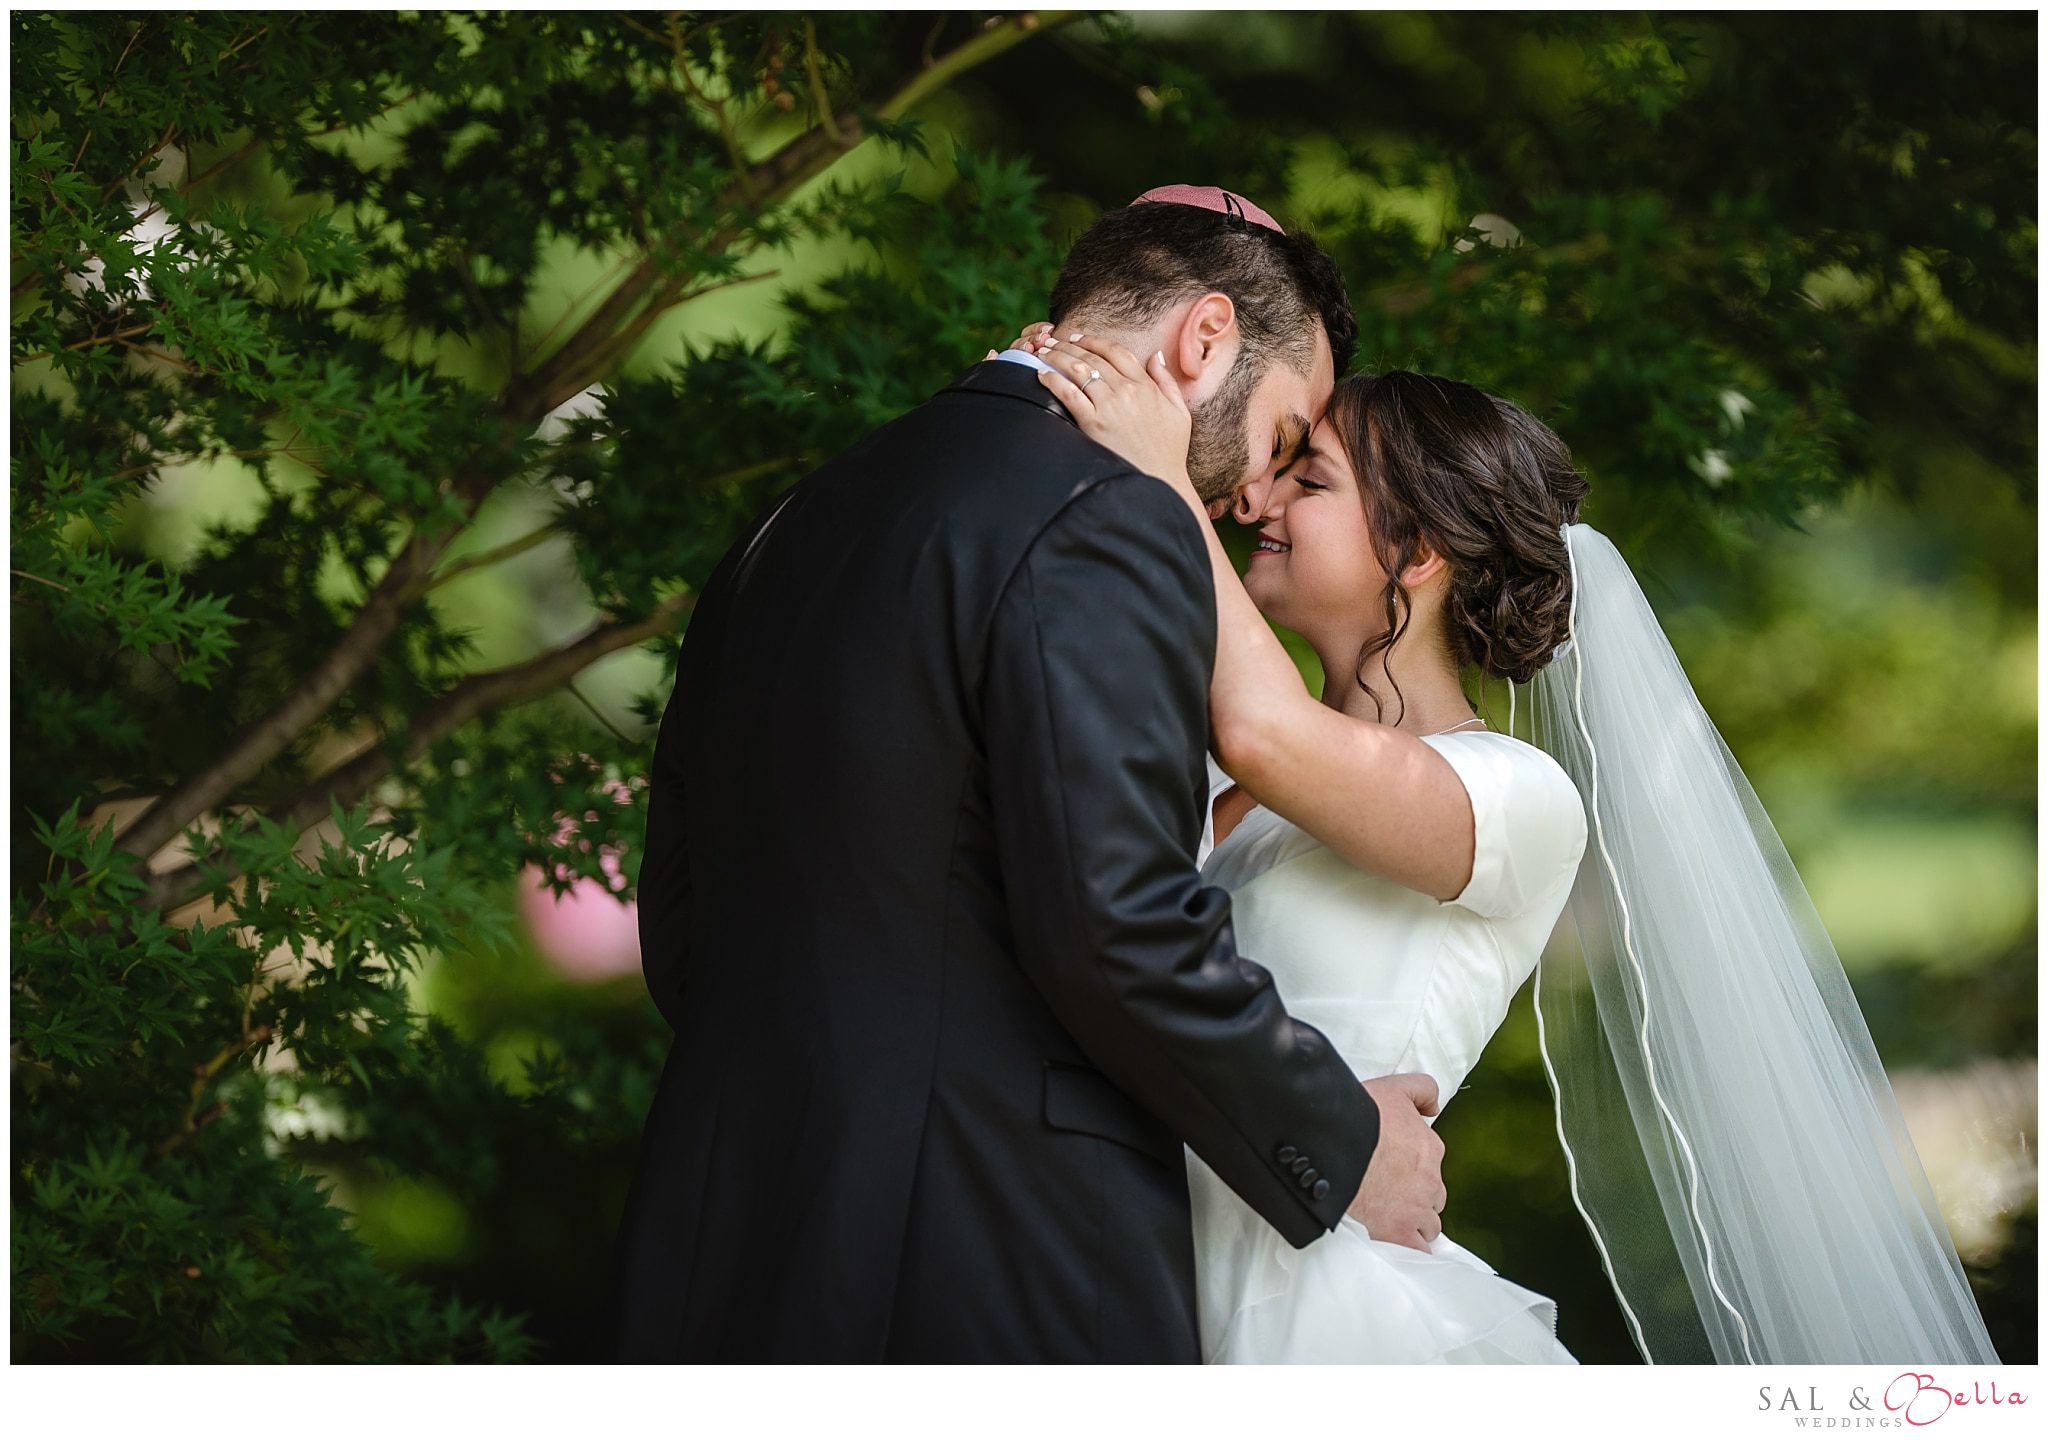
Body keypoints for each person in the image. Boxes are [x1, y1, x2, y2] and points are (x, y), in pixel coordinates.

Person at [1019, 331, 2000, 1365]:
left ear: (1417, 551)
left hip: (1323, 1310)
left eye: (1308, 480)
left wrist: (1158, 477)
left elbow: (1263, 727)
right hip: (1130, 1264)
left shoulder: (1515, 800)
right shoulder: (1223, 777)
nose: (1254, 504)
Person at [610, 186, 1448, 1363]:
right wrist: (1343, 1143)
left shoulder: (792, 519)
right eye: (1277, 438)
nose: (1255, 496)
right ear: (1204, 338)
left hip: (729, 1240)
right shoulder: (1106, 515)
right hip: (988, 1255)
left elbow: (683, 918)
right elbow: (1116, 924)